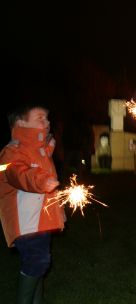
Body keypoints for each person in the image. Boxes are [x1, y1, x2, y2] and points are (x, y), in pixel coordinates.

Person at [0, 104, 66, 304]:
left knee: (39, 264)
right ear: (20, 122)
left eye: (47, 118)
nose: (47, 122)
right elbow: (15, 173)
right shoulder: (11, 151)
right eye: (40, 118)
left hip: (41, 222)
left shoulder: (42, 152)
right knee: (37, 262)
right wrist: (40, 181)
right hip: (26, 223)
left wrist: (59, 211)